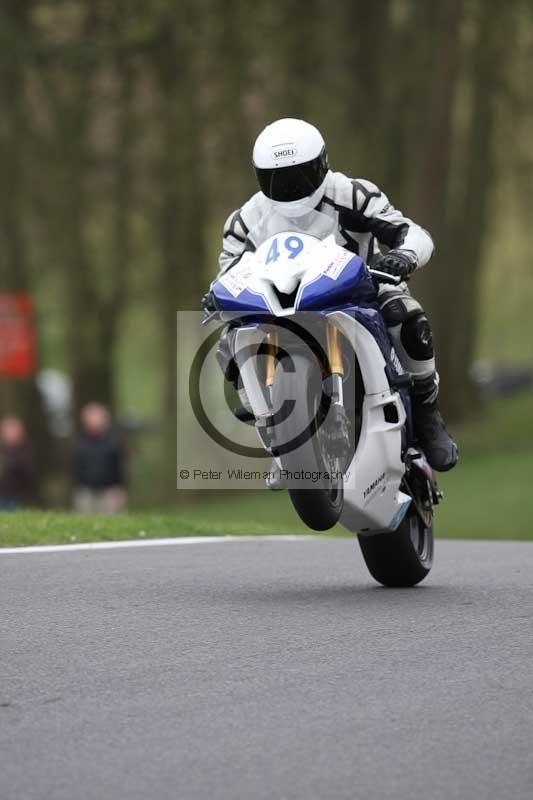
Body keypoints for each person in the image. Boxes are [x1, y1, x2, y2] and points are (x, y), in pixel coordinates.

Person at [203, 118, 457, 480]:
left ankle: (428, 412)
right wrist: (217, 295)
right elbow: (228, 273)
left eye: (299, 175)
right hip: (280, 305)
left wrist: (403, 256)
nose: (289, 188)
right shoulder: (246, 219)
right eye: (277, 179)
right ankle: (275, 434)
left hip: (361, 291)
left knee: (406, 314)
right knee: (231, 342)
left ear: (321, 164)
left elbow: (408, 231)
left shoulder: (352, 193)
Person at [72, 403, 127, 514]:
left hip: (109, 491)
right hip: (85, 490)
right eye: (90, 418)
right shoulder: (79, 441)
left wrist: (121, 488)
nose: (93, 421)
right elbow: (74, 466)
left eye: (96, 417)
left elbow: (119, 467)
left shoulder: (113, 441)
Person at [0, 416, 36, 510]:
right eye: (8, 430)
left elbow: (28, 472)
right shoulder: (2, 449)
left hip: (18, 495)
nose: (10, 434)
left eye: (13, 430)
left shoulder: (25, 449)